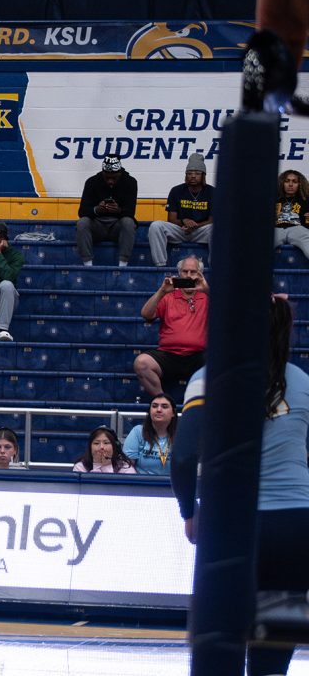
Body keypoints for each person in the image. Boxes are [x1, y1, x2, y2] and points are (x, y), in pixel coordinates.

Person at [171, 295, 309, 675]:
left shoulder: (208, 378)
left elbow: (182, 458)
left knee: (218, 653)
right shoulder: (303, 382)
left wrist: (189, 512)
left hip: (232, 527)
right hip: (295, 529)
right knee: (270, 661)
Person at [134, 256, 209, 397]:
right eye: (184, 271)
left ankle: (204, 407)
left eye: (193, 272)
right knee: (141, 363)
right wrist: (162, 291)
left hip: (198, 357)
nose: (188, 275)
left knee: (223, 363)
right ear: (179, 273)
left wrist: (206, 290)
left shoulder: (207, 296)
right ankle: (163, 401)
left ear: (200, 274)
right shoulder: (168, 296)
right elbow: (146, 314)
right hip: (169, 355)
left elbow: (228, 313)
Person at [147, 155, 214, 267]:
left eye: (197, 173)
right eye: (189, 173)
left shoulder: (212, 192)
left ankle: (214, 267)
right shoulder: (176, 190)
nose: (193, 176)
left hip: (201, 231)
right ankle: (160, 265)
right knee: (156, 226)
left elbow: (212, 220)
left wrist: (195, 225)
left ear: (203, 176)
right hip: (181, 230)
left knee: (216, 228)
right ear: (185, 175)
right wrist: (184, 221)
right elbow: (171, 218)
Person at [76, 155, 138, 267]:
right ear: (103, 173)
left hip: (117, 228)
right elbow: (82, 212)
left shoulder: (130, 182)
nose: (110, 181)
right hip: (97, 226)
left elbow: (130, 212)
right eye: (107, 177)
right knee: (82, 223)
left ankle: (123, 265)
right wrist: (97, 209)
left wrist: (118, 210)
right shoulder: (92, 182)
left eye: (114, 178)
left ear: (120, 173)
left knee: (128, 222)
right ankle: (88, 265)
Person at [124, 393, 179, 475]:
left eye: (164, 406)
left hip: (172, 485)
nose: (159, 410)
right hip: (142, 484)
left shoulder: (181, 435)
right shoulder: (138, 432)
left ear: (173, 413)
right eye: (154, 406)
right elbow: (127, 466)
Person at [273, 168, 309, 260]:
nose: (290, 184)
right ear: (282, 183)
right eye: (287, 181)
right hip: (277, 229)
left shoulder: (305, 200)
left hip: (297, 229)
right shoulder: (274, 198)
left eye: (294, 181)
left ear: (300, 184)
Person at [72, 427, 136, 474]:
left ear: (114, 446)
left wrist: (107, 466)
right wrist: (96, 465)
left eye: (106, 443)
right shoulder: (80, 467)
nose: (101, 447)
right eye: (96, 443)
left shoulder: (125, 468)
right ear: (90, 447)